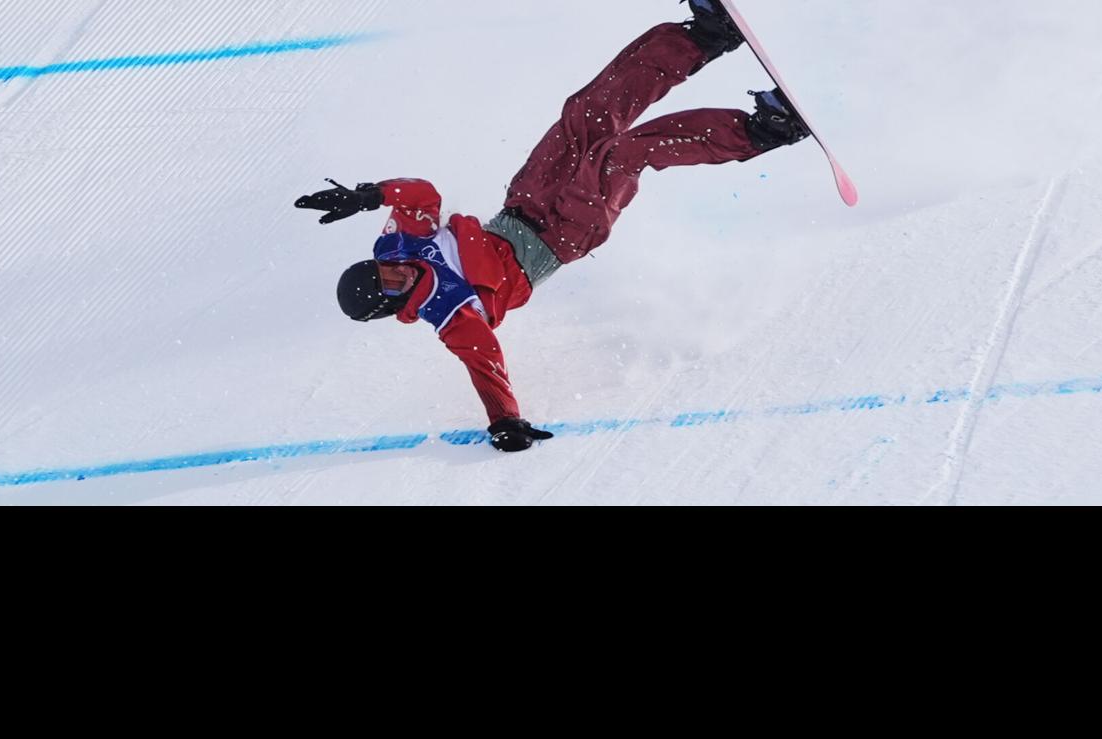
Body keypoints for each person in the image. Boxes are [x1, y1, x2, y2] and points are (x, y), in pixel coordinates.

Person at [294, 0, 811, 452]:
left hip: (524, 201)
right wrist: (505, 421)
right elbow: (486, 365)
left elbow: (423, 194)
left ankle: (704, 37)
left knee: (586, 113)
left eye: (384, 270)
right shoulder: (448, 312)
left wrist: (369, 194)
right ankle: (763, 131)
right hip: (560, 234)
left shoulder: (400, 246)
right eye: (391, 285)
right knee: (618, 155)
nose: (398, 273)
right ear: (394, 305)